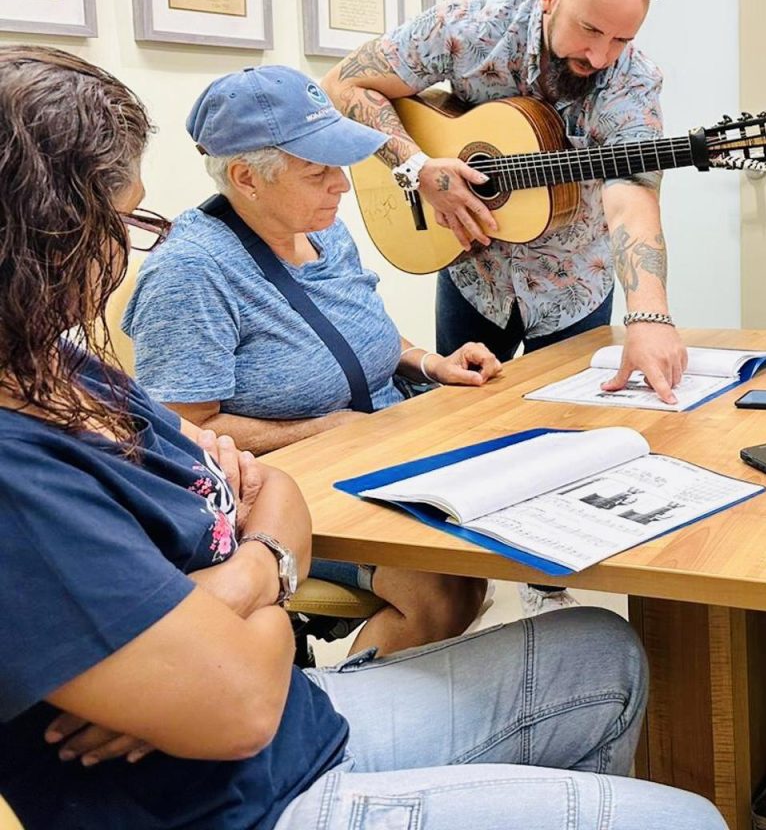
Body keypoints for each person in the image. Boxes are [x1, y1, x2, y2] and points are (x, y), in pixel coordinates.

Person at [0, 45, 727, 830]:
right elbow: (238, 691)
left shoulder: (65, 368)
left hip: (290, 717)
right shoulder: (36, 451)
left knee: (600, 648)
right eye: (122, 223)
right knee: (689, 819)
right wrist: (255, 580)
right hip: (247, 796)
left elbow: (265, 487)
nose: (125, 253)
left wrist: (240, 588)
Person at [124, 65, 498, 656]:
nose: (341, 187)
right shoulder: (191, 272)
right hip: (287, 494)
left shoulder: (322, 229)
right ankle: (346, 733)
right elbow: (179, 430)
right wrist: (322, 428)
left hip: (384, 452)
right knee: (442, 587)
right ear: (247, 177)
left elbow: (359, 335)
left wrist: (430, 363)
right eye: (318, 171)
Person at [321, 0, 690, 405]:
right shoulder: (472, 25)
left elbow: (632, 195)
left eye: (621, 39)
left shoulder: (632, 80)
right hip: (471, 270)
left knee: (570, 433)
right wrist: (416, 168)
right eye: (590, 30)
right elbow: (343, 83)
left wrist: (649, 317)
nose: (600, 57)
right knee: (462, 420)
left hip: (572, 284)